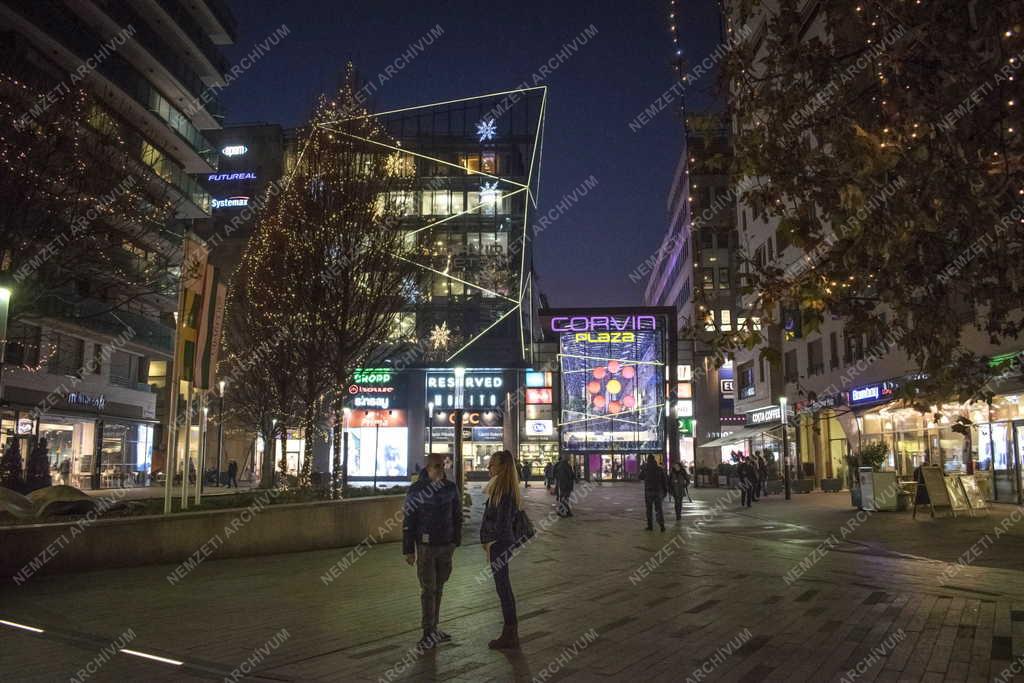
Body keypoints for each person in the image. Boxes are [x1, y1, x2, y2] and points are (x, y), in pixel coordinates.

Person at [403, 453, 462, 650]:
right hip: (426, 547)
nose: (441, 469)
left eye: (442, 466)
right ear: (428, 468)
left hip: (446, 545)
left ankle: (434, 629)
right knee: (428, 589)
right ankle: (427, 632)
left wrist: (455, 541)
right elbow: (408, 520)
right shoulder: (416, 489)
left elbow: (457, 515)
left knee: (440, 586)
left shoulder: (450, 488)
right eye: (437, 466)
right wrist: (408, 549)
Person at [480, 449, 521, 650]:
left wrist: (491, 543)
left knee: (503, 588)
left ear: (503, 466)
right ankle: (510, 632)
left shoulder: (504, 492)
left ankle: (510, 633)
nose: (489, 467)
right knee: (503, 588)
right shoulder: (500, 488)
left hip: (499, 545)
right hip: (499, 544)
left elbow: (503, 523)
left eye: (493, 463)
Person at [639, 454, 669, 531]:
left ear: (648, 460)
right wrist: (665, 491)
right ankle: (662, 525)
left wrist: (642, 468)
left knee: (649, 509)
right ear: (654, 460)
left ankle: (650, 526)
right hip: (658, 491)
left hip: (649, 491)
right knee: (659, 509)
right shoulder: (660, 469)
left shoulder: (646, 468)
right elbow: (664, 481)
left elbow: (640, 477)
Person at [552, 453, 575, 517]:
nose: (570, 458)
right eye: (568, 456)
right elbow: (564, 476)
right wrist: (565, 485)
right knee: (565, 499)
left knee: (565, 499)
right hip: (565, 485)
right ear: (564, 457)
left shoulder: (565, 464)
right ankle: (562, 512)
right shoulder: (563, 465)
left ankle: (567, 512)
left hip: (565, 485)